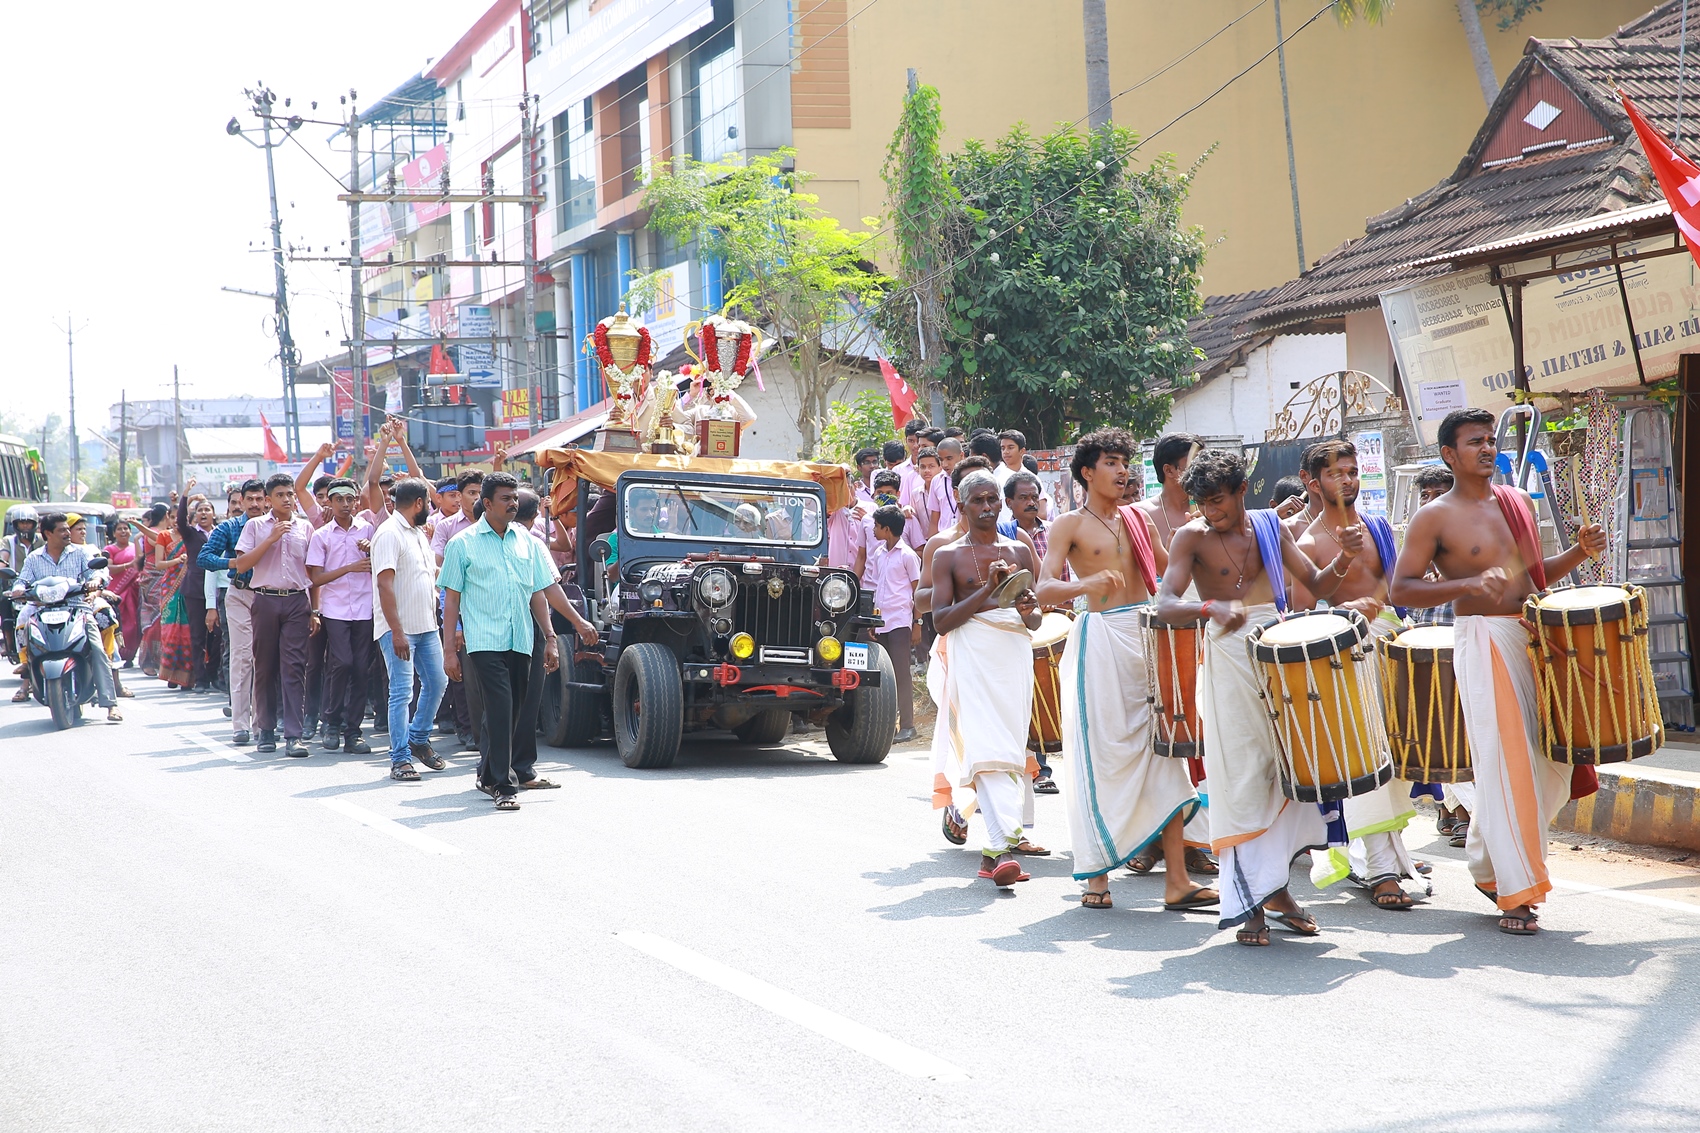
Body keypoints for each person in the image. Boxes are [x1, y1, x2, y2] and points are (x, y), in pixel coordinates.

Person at [1390, 407, 1605, 936]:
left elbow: (1532, 579)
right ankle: (1515, 892)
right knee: (1508, 769)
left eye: (1490, 439)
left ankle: (1490, 865)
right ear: (1449, 454)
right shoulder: (1434, 516)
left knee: (1542, 767)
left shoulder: (1517, 503)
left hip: (1531, 636)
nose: (1487, 448)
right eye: (1474, 441)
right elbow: (1402, 590)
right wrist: (1463, 587)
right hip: (1483, 641)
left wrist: (1578, 552)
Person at [1157, 448, 1359, 946]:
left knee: (1290, 772)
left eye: (1219, 501)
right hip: (1227, 658)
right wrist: (1208, 607)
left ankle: (1276, 889)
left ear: (1242, 490)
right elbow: (1164, 604)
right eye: (1202, 503)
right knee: (1242, 777)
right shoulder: (1191, 536)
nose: (1211, 511)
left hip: (1280, 653)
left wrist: (1347, 556)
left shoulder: (1271, 527)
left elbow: (1315, 584)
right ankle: (1248, 899)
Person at [1036, 428, 1212, 910]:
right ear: (1087, 472)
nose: (1121, 471)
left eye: (1124, 463)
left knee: (1166, 753)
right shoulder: (1068, 525)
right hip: (1101, 642)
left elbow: (1171, 577)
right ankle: (1097, 876)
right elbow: (1043, 589)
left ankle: (1177, 881)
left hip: (1147, 637)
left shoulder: (1140, 520)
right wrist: (1086, 582)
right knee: (1104, 756)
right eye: (1110, 463)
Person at [1288, 439, 1426, 910]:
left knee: (1399, 759)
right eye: (1335, 473)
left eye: (1352, 471)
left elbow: (1395, 589)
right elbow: (1300, 617)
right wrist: (1344, 607)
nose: (1348, 480)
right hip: (1345, 658)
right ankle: (1384, 870)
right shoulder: (1306, 542)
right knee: (1367, 763)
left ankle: (1387, 856)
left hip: (1392, 647)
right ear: (1313, 483)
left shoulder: (1378, 527)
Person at [930, 470, 1046, 888]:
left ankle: (992, 854)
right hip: (972, 655)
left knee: (1011, 746)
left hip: (1013, 656)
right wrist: (988, 590)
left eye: (992, 499)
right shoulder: (947, 555)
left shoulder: (1020, 548)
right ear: (962, 507)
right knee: (984, 746)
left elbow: (1033, 620)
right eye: (977, 501)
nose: (986, 507)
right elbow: (941, 621)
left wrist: (1028, 607)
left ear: (1002, 502)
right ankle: (1002, 848)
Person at [440, 473, 559, 810]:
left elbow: (537, 592)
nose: (513, 504)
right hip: (483, 640)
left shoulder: (527, 541)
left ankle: (487, 774)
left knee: (513, 711)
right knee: (501, 706)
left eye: (515, 498)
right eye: (506, 498)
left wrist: (549, 637)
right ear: (487, 503)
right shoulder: (462, 544)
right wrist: (450, 649)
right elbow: (451, 599)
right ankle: (505, 786)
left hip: (520, 638)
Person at [1129, 433, 1219, 877]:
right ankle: (1151, 838)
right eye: (1195, 463)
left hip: (1207, 636)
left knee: (1200, 738)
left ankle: (1195, 841)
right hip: (1157, 641)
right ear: (1171, 470)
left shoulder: (1214, 513)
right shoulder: (1142, 517)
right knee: (1158, 738)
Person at [232, 473, 317, 756]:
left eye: (290, 494)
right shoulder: (256, 526)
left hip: (295, 602)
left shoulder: (305, 529)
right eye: (279, 495)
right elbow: (242, 565)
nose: (286, 499)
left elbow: (312, 572)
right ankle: (265, 730)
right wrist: (270, 539)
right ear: (269, 500)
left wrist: (313, 610)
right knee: (266, 666)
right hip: (265, 600)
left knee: (294, 668)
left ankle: (294, 735)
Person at [372, 477, 451, 781]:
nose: (431, 508)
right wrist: (397, 631)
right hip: (399, 629)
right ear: (418, 503)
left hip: (426, 626)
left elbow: (428, 573)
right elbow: (383, 583)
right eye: (429, 503)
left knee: (437, 682)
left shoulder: (418, 532)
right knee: (402, 692)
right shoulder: (389, 533)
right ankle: (400, 758)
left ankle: (417, 737)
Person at [1405, 464, 1468, 843]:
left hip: (1461, 647)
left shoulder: (1468, 536)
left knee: (1459, 733)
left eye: (1437, 494)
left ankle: (1462, 813)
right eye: (1424, 495)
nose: (1429, 502)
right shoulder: (1421, 539)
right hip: (1425, 653)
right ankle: (1446, 810)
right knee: (1433, 735)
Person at [306, 479, 376, 754]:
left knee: (361, 668)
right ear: (330, 502)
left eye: (350, 499)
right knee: (342, 663)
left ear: (356, 501)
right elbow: (316, 577)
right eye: (339, 500)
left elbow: (383, 563)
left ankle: (353, 732)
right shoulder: (322, 535)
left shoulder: (369, 530)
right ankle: (331, 722)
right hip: (334, 608)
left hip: (365, 606)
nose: (345, 505)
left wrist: (372, 550)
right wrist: (349, 567)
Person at [199, 480, 267, 743]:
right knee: (241, 658)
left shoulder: (277, 526)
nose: (252, 504)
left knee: (265, 660)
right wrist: (233, 563)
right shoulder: (229, 528)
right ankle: (240, 725)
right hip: (239, 594)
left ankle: (264, 723)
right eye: (247, 499)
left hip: (270, 596)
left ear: (266, 501)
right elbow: (203, 558)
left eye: (258, 499)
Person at [59, 514, 124, 722]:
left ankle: (110, 695)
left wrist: (95, 591)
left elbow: (99, 576)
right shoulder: (38, 556)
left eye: (78, 530)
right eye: (70, 530)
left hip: (84, 604)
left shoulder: (85, 553)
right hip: (51, 608)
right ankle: (27, 677)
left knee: (105, 618)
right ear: (49, 534)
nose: (77, 533)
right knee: (24, 621)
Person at [867, 504, 921, 744]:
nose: (873, 530)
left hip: (900, 621)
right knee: (883, 676)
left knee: (900, 675)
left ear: (887, 529)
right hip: (882, 622)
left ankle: (908, 726)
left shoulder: (908, 555)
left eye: (877, 526)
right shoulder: (879, 553)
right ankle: (887, 726)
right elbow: (880, 588)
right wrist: (873, 620)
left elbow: (917, 591)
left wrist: (917, 622)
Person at [176, 489, 217, 692]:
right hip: (195, 590)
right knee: (198, 635)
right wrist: (185, 497)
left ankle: (216, 675)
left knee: (217, 635)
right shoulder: (191, 534)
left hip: (218, 590)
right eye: (200, 510)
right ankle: (201, 678)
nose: (203, 513)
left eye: (207, 509)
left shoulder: (220, 532)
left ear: (213, 514)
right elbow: (181, 521)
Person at [103, 517, 142, 670]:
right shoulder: (109, 550)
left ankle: (130, 655)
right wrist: (128, 565)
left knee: (134, 625)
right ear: (114, 533)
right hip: (116, 593)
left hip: (134, 592)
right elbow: (109, 568)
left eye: (126, 528)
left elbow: (141, 564)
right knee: (120, 624)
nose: (123, 531)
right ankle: (118, 654)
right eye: (119, 529)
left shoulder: (135, 547)